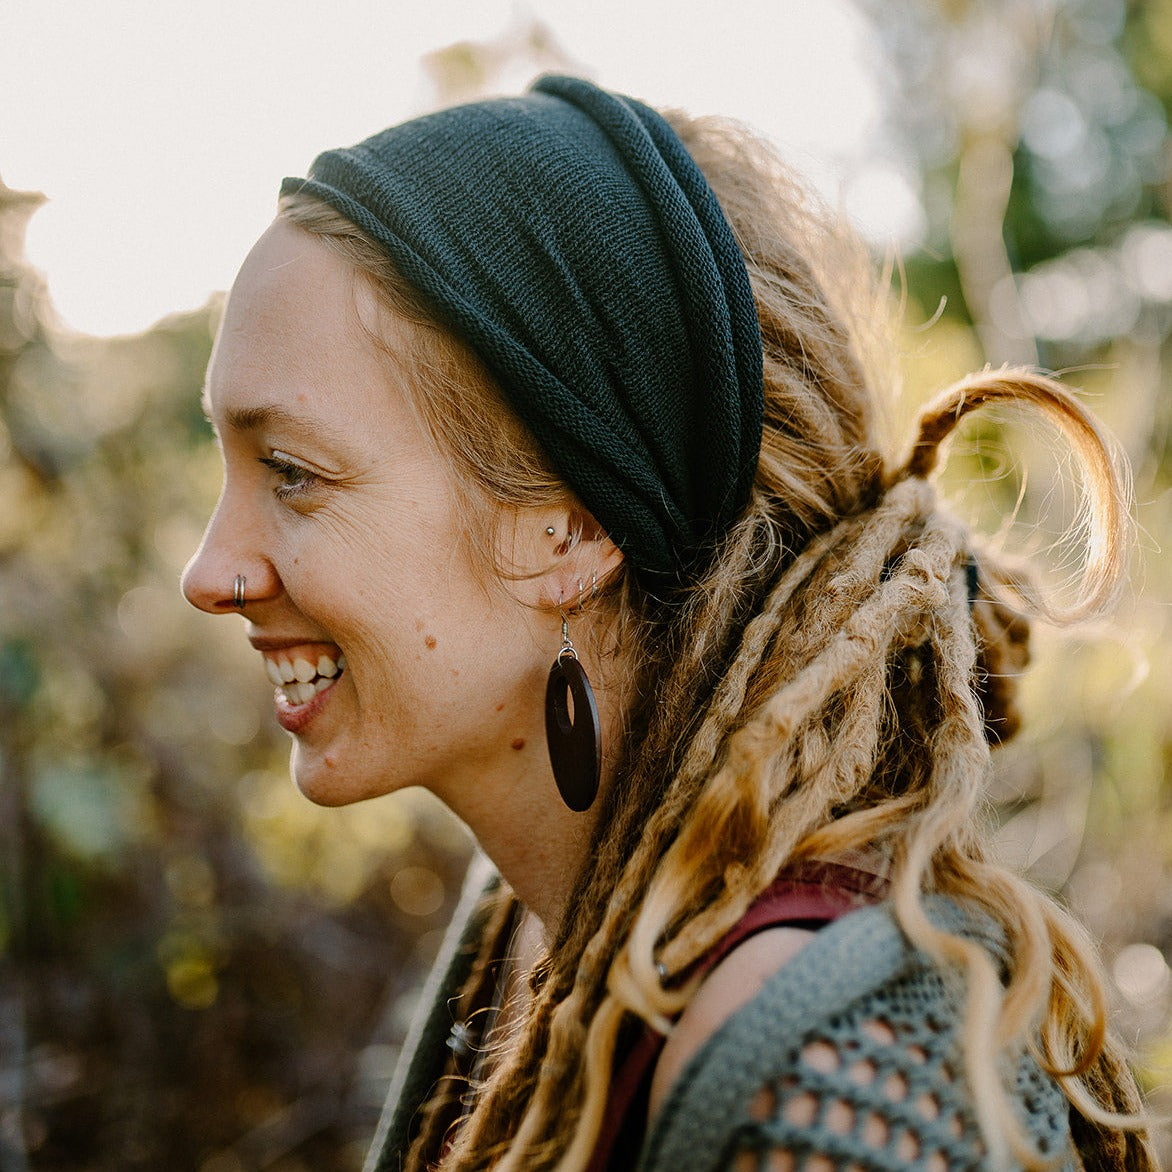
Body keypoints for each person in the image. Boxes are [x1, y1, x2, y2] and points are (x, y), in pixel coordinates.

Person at [181, 75, 1156, 1170]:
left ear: (572, 524)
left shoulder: (827, 1078)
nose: (208, 570)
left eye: (292, 472)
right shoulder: (531, 920)